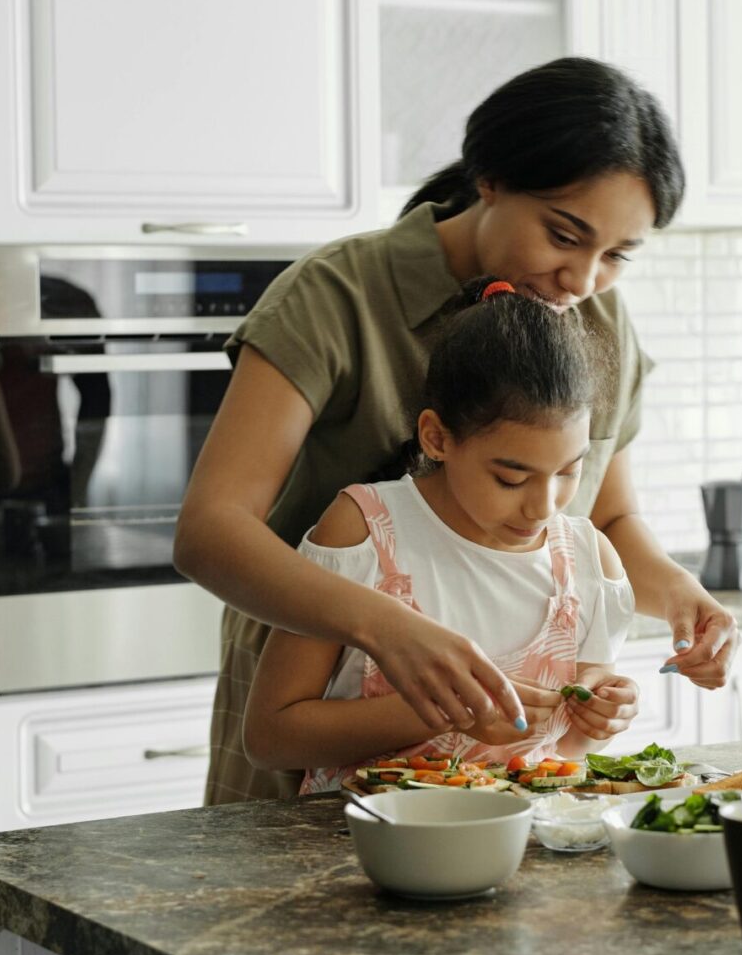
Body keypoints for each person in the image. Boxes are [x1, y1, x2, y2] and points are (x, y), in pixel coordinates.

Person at [175, 57, 740, 803]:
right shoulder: (336, 295)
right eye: (563, 235)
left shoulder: (595, 318)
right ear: (491, 180)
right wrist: (387, 629)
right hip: (316, 703)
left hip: (500, 773)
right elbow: (210, 531)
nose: (583, 279)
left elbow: (604, 517)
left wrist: (677, 596)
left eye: (615, 256)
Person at [244, 279, 637, 790]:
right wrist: (445, 712)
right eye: (511, 478)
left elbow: (568, 753)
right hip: (359, 849)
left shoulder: (588, 561)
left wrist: (599, 720)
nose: (544, 506)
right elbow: (270, 737)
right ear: (437, 437)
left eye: (569, 471)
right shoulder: (365, 532)